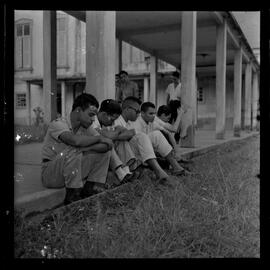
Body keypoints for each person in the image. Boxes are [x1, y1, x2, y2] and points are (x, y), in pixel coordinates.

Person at [41, 93, 113, 205]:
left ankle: (90, 188)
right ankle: (72, 196)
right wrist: (98, 139)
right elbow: (75, 141)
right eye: (91, 115)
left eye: (94, 115)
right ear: (78, 110)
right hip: (51, 174)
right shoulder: (58, 124)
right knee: (74, 148)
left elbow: (107, 146)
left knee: (104, 153)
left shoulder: (85, 127)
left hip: (71, 171)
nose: (93, 119)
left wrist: (86, 147)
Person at [112, 96, 172, 185]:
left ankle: (175, 166)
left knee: (156, 134)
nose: (138, 114)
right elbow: (115, 137)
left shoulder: (130, 122)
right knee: (141, 136)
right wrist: (132, 132)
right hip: (122, 154)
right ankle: (159, 171)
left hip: (133, 153)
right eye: (137, 111)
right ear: (127, 109)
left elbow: (170, 130)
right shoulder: (117, 121)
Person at [131, 101, 189, 176]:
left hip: (148, 153)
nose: (153, 116)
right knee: (151, 136)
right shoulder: (136, 123)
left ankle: (177, 168)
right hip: (137, 154)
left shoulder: (152, 121)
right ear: (142, 113)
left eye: (154, 113)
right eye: (150, 113)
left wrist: (176, 152)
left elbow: (170, 131)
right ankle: (162, 171)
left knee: (157, 134)